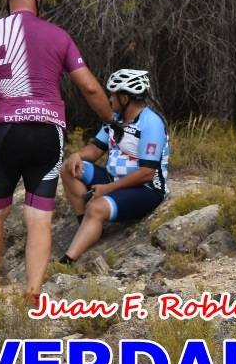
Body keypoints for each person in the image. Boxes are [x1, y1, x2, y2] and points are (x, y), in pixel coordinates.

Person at [0, 0, 114, 304]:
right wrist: (112, 119)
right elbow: (89, 87)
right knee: (39, 216)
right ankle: (33, 294)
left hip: (6, 130)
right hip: (47, 132)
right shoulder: (59, 36)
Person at [58, 69, 168, 263]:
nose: (109, 99)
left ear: (124, 98)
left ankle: (68, 260)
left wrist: (107, 189)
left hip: (145, 189)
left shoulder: (151, 123)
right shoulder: (114, 120)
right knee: (69, 168)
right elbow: (95, 149)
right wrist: (77, 155)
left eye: (113, 95)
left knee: (97, 207)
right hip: (114, 179)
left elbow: (146, 173)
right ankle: (85, 224)